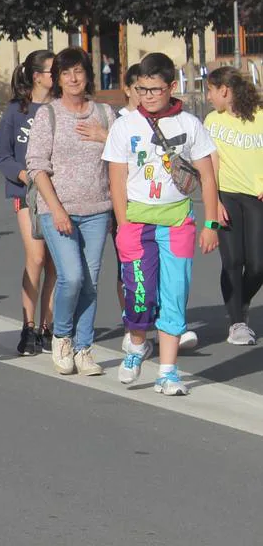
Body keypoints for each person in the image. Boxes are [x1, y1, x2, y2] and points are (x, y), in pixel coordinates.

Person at [104, 53, 220, 395]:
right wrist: (123, 225)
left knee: (175, 294)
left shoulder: (189, 124)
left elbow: (208, 177)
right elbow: (117, 180)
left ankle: (168, 372)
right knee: (140, 295)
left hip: (178, 222)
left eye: (155, 89)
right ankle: (137, 344)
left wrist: (210, 223)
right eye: (142, 89)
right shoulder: (125, 126)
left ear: (172, 87)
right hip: (138, 224)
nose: (149, 96)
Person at [26, 48, 115, 377]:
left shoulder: (105, 113)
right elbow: (37, 167)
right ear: (57, 79)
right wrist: (57, 209)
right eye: (66, 73)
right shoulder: (48, 115)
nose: (74, 78)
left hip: (97, 210)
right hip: (56, 210)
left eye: (79, 71)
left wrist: (106, 136)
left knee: (91, 283)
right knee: (72, 276)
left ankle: (84, 348)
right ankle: (61, 337)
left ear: (88, 74)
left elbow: (126, 155)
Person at [0, 49, 57, 355]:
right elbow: (1, 155)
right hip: (27, 195)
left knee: (57, 262)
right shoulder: (16, 112)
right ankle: (28, 326)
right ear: (36, 76)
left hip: (60, 195)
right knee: (36, 258)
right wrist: (25, 175)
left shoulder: (61, 109)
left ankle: (50, 327)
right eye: (52, 70)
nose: (58, 76)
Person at [205, 66, 263, 346]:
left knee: (258, 265)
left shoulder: (261, 117)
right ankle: (237, 323)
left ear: (224, 90)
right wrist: (213, 201)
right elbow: (208, 165)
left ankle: (240, 301)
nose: (208, 97)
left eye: (210, 90)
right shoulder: (211, 121)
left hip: (256, 198)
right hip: (225, 196)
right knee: (232, 261)